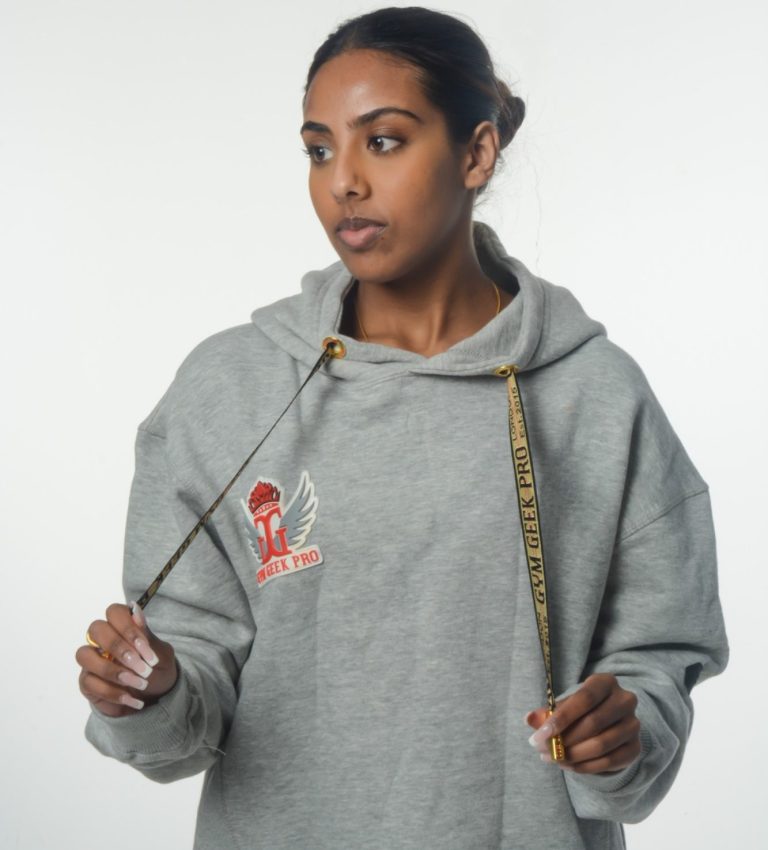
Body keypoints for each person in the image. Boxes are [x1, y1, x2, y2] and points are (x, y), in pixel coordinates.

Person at [76, 7, 728, 849]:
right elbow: (188, 707)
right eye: (319, 150)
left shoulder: (595, 396)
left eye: (382, 141)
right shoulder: (230, 389)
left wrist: (624, 726)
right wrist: (152, 690)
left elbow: (658, 656)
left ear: (476, 153)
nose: (343, 181)